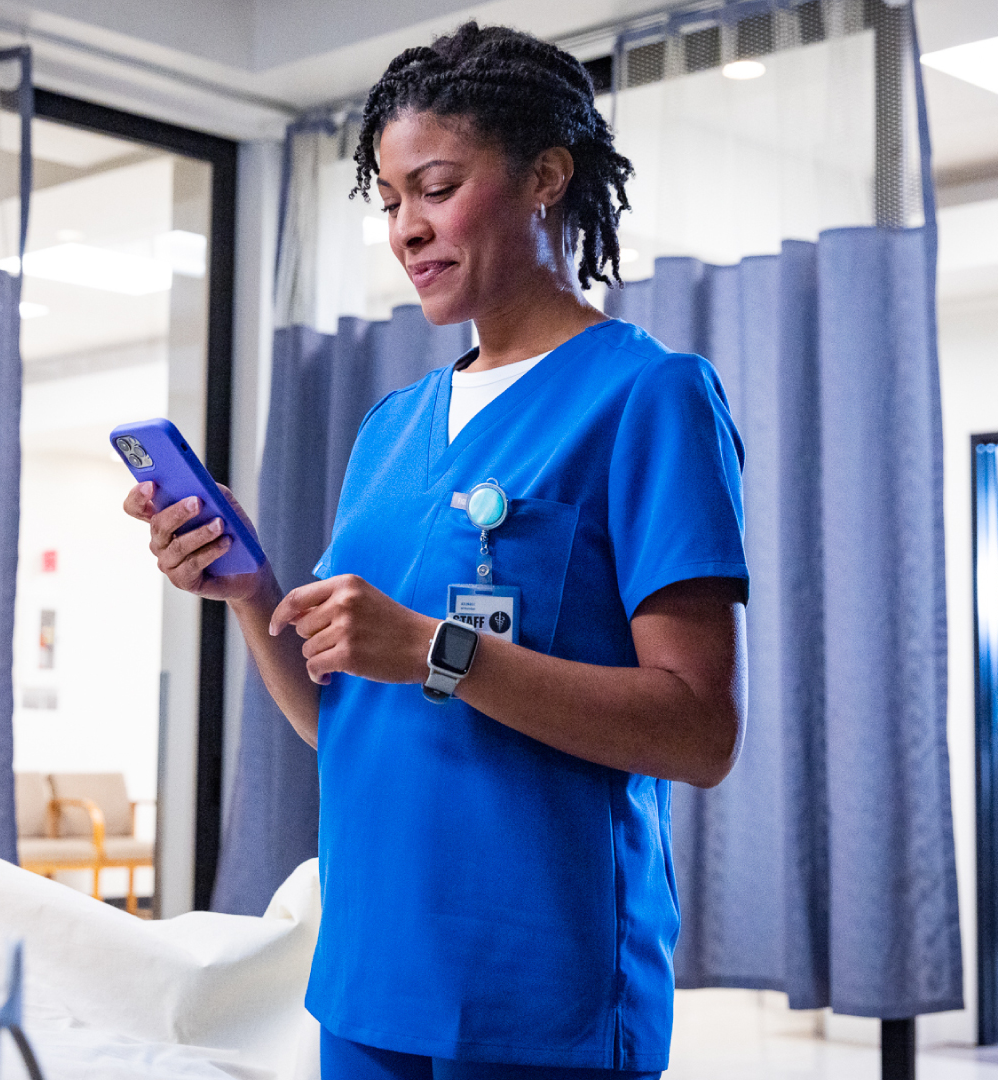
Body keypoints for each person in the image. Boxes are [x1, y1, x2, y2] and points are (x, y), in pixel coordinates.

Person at [123, 22, 747, 1080]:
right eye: (389, 201)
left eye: (438, 187)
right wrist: (251, 589)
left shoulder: (650, 398)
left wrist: (435, 651)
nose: (407, 228)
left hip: (537, 990)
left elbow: (700, 732)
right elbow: (346, 724)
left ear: (547, 177)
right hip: (369, 973)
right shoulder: (391, 427)